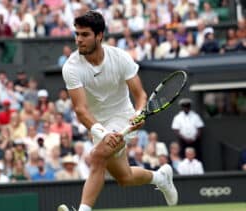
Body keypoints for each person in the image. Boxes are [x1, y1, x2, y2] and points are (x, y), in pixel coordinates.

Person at [59, 11, 177, 211]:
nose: (78, 40)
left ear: (99, 35)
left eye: (85, 34)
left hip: (123, 117)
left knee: (97, 157)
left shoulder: (120, 57)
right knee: (125, 177)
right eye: (77, 34)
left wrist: (139, 112)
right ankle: (160, 177)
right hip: (98, 124)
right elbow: (80, 109)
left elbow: (140, 94)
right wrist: (102, 133)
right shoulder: (71, 67)